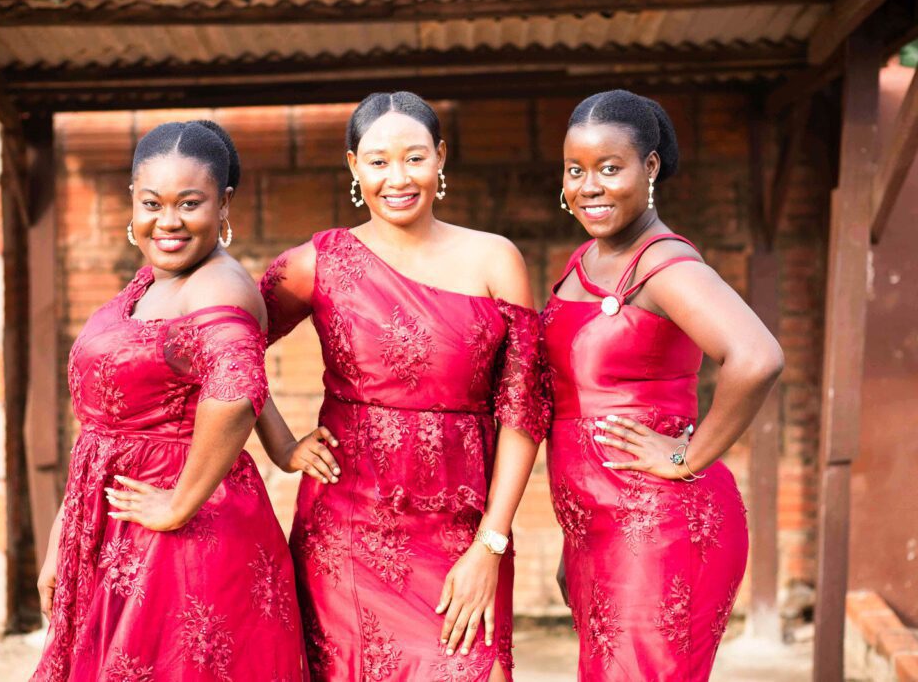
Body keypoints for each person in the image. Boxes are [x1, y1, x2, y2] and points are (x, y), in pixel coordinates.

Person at [256, 91, 551, 681]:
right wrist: (281, 445)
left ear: (440, 157)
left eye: (415, 158)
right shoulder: (318, 262)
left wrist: (490, 544)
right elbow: (225, 351)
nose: (398, 178)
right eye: (378, 161)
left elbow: (524, 409)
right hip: (346, 530)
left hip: (465, 530)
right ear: (353, 166)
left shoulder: (496, 259)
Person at [31, 120, 306, 681]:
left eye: (190, 203)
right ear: (133, 200)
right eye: (152, 203)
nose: (169, 221)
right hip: (122, 526)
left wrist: (179, 504)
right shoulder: (152, 282)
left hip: (181, 539)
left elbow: (237, 392)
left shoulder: (217, 285)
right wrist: (65, 531)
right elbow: (105, 427)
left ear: (223, 204)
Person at [545, 89, 784, 680]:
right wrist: (573, 539)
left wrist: (686, 456)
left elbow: (757, 357)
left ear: (649, 167)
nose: (588, 187)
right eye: (576, 170)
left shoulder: (662, 264)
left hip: (658, 525)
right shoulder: (583, 261)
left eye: (609, 168)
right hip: (598, 528)